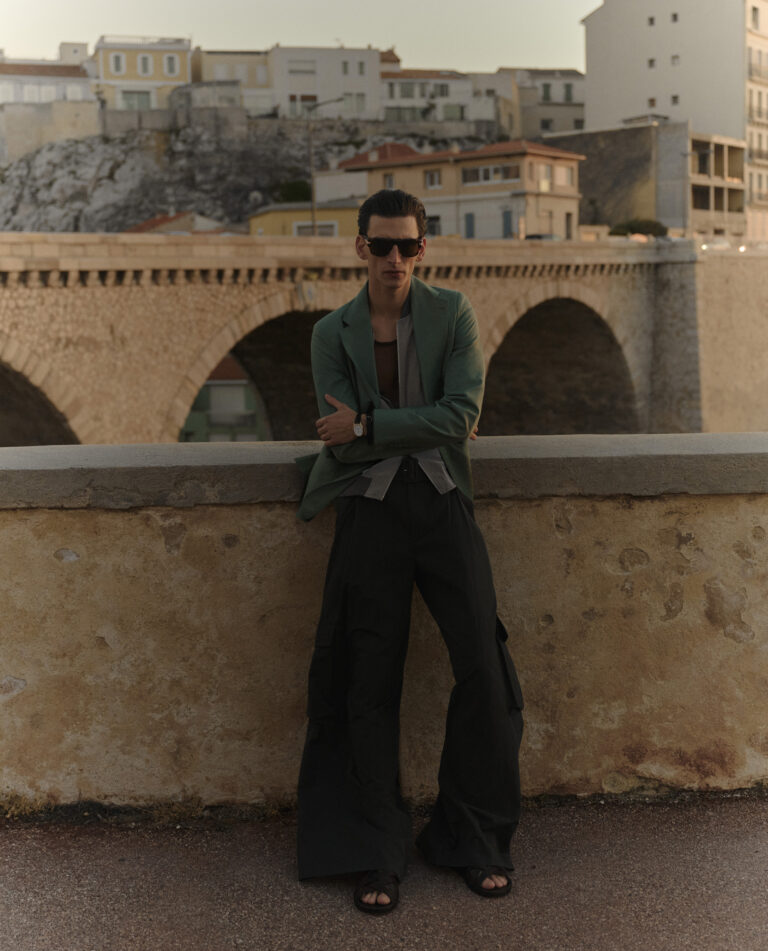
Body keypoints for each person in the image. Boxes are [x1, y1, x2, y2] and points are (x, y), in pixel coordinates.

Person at [296, 188, 523, 914]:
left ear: (423, 249)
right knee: (367, 680)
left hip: (442, 503)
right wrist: (417, 423)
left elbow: (461, 414)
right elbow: (340, 438)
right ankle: (375, 851)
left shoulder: (452, 313)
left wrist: (370, 425)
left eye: (407, 246)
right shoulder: (331, 333)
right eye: (381, 245)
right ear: (360, 247)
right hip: (370, 511)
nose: (394, 258)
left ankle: (472, 836)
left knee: (483, 666)